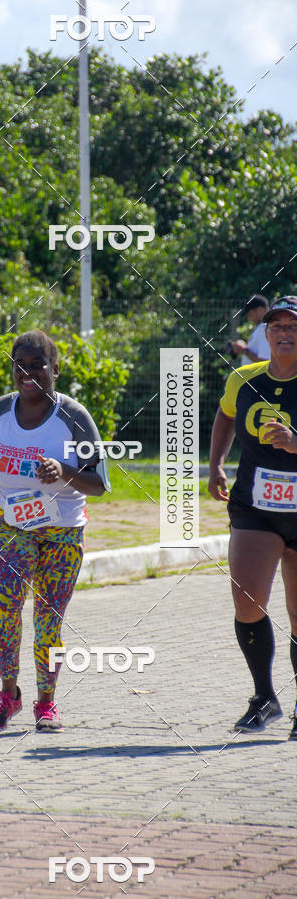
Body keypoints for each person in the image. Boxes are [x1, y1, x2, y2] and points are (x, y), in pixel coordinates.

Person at [0, 330, 110, 732]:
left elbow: (98, 482)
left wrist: (64, 472)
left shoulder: (74, 417)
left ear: (55, 370)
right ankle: (8, 695)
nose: (27, 373)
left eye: (37, 365)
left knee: (48, 621)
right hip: (11, 529)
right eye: (20, 366)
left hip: (62, 534)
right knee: (6, 613)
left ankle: (46, 703)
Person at [209, 296, 297, 740]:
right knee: (247, 601)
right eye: (277, 326)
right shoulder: (244, 380)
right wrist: (216, 464)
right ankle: (265, 697)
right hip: (255, 508)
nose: (284, 333)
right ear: (266, 333)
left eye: (293, 327)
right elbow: (225, 417)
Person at [229, 295, 271, 367]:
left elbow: (265, 362)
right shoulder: (262, 328)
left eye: (250, 314)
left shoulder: (264, 328)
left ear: (260, 310)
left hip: (258, 377)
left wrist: (244, 350)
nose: (249, 319)